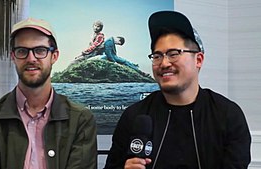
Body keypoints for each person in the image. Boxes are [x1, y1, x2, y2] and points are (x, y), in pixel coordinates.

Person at [104, 11, 251, 169]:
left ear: (198, 60)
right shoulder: (135, 116)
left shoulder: (227, 115)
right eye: (157, 56)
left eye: (174, 54)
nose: (164, 63)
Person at [0, 18, 97, 169]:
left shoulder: (80, 119)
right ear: (13, 57)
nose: (31, 59)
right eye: (22, 51)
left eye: (40, 50)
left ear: (54, 56)